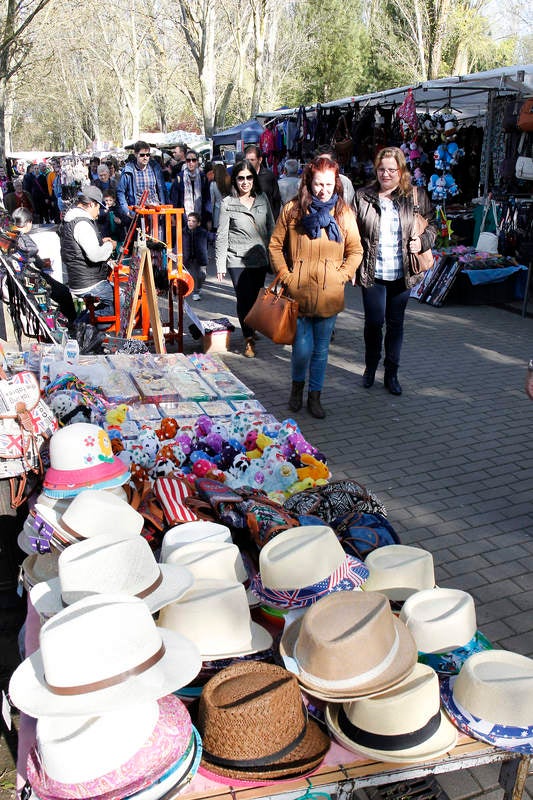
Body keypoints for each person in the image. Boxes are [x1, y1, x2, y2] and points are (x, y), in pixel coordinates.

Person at [269, 155, 363, 418]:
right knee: (301, 349)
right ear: (308, 182)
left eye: (329, 184)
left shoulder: (343, 213)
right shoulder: (292, 210)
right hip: (297, 292)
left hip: (329, 293)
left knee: (321, 351)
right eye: (318, 184)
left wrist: (342, 275)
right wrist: (287, 276)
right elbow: (275, 246)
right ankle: (296, 389)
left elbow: (356, 250)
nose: (323, 190)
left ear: (337, 183)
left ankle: (315, 396)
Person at [354, 146, 437, 396]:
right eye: (382, 169)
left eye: (392, 169)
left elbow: (433, 225)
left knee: (395, 325)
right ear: (376, 170)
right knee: (373, 323)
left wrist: (422, 242)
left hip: (402, 273)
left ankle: (392, 374)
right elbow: (351, 231)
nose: (386, 174)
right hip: (373, 271)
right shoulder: (363, 196)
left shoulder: (415, 196)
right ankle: (370, 368)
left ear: (401, 171)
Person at [216, 159, 274, 358]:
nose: (245, 182)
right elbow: (222, 234)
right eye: (240, 178)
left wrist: (274, 256)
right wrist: (220, 263)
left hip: (259, 258)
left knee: (257, 299)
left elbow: (271, 228)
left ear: (254, 179)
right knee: (244, 298)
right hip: (236, 259)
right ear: (235, 180)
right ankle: (248, 339)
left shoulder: (262, 198)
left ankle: (251, 327)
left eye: (249, 177)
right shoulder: (227, 203)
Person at [11, 207, 77, 328]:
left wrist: (41, 264)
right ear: (29, 222)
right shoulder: (20, 237)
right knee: (64, 293)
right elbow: (33, 251)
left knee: (62, 291)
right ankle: (73, 324)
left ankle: (70, 321)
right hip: (31, 279)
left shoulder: (11, 234)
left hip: (28, 276)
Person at [60, 185, 117, 320]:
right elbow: (95, 255)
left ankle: (84, 321)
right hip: (88, 282)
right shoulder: (82, 223)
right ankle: (82, 323)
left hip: (80, 278)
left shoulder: (73, 219)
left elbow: (77, 248)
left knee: (116, 301)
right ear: (91, 204)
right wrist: (109, 246)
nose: (99, 212)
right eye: (98, 207)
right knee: (124, 301)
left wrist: (101, 242)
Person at [116, 141, 168, 220]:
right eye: (142, 155)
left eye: (148, 155)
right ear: (136, 154)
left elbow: (163, 190)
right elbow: (120, 192)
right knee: (141, 232)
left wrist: (164, 206)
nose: (145, 157)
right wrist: (126, 211)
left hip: (156, 210)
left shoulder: (155, 167)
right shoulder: (128, 170)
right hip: (138, 212)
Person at [169, 150, 211, 228]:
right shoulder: (180, 177)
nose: (191, 162)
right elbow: (174, 199)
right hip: (184, 217)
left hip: (201, 216)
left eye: (193, 160)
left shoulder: (203, 177)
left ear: (197, 162)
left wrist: (209, 219)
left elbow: (207, 198)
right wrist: (172, 216)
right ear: (185, 161)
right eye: (188, 160)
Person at [243, 145, 281, 220]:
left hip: (265, 222)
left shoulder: (269, 177)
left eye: (252, 160)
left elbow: (276, 200)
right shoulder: (241, 176)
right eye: (247, 160)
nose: (249, 163)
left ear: (260, 160)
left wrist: (272, 220)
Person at [183, 212, 208, 301]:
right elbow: (179, 243)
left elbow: (209, 240)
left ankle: (199, 287)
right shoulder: (183, 232)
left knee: (202, 275)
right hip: (189, 258)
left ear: (198, 223)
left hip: (200, 257)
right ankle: (195, 292)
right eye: (189, 220)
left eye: (193, 221)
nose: (190, 223)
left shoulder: (203, 232)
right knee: (194, 276)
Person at [210, 162, 231, 231]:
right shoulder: (229, 182)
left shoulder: (213, 184)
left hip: (217, 214)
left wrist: (211, 216)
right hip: (229, 211)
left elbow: (212, 201)